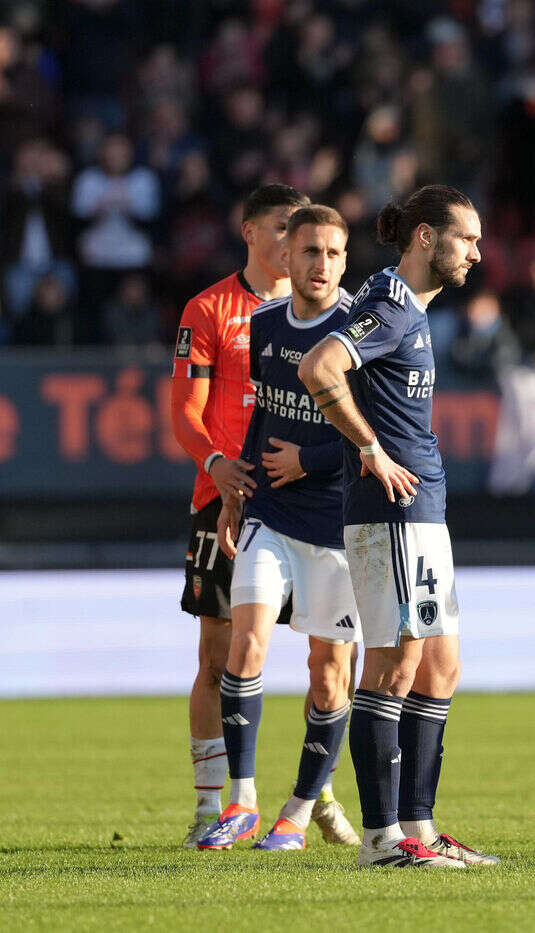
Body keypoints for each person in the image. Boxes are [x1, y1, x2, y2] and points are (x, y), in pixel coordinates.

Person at [298, 185, 497, 869]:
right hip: (393, 513)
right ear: (424, 238)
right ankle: (383, 840)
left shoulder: (409, 309)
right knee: (394, 664)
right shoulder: (387, 307)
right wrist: (368, 447)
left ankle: (419, 825)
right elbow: (319, 366)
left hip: (422, 511)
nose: (477, 251)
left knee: (440, 665)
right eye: (466, 237)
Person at [196, 205, 362, 851]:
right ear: (284, 259)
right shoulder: (264, 325)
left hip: (338, 523)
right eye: (310, 251)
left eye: (333, 253)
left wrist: (311, 459)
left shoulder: (358, 329)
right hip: (271, 512)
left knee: (327, 674)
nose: (321, 264)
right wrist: (235, 497)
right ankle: (241, 799)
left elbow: (380, 434)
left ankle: (296, 810)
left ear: (345, 261)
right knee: (247, 643)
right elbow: (266, 418)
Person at [168, 183, 310, 846]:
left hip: (303, 501)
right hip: (224, 498)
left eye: (303, 228)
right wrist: (214, 464)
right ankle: (209, 804)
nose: (294, 240)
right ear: (248, 229)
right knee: (218, 651)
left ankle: (317, 796)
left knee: (327, 653)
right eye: (284, 226)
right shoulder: (209, 309)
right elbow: (185, 414)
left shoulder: (324, 313)